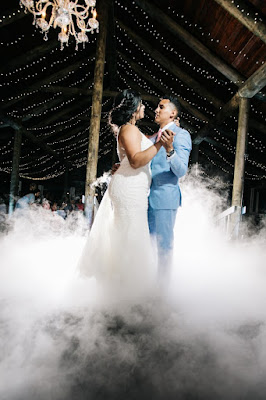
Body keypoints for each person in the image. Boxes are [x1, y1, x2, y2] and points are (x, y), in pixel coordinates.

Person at [79, 89, 172, 289]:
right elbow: (137, 160)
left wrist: (159, 135)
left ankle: (124, 285)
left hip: (133, 187)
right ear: (133, 109)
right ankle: (128, 287)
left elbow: (135, 153)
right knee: (132, 234)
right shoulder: (128, 129)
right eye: (142, 104)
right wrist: (159, 144)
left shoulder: (132, 129)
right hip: (129, 189)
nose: (145, 107)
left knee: (129, 233)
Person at [148, 96, 192, 280]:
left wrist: (169, 150)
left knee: (163, 247)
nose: (156, 110)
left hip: (165, 198)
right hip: (144, 199)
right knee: (147, 247)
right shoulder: (151, 138)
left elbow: (181, 170)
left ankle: (162, 292)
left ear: (173, 113)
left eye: (161, 107)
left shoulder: (181, 135)